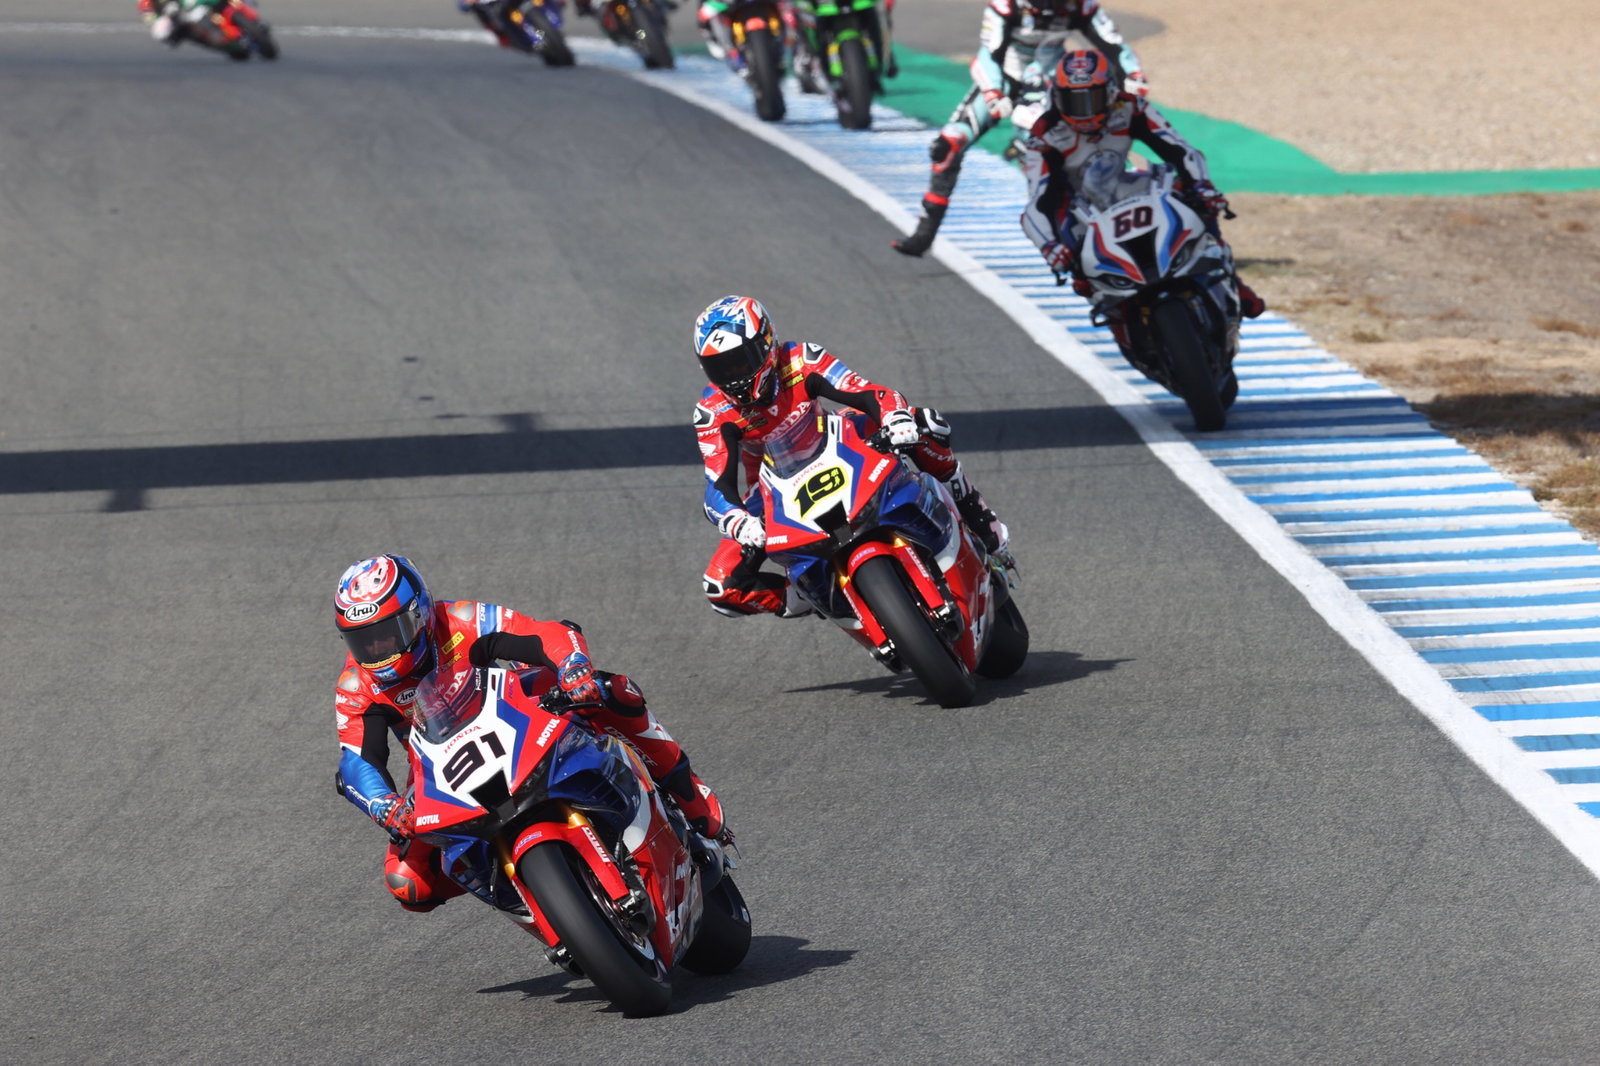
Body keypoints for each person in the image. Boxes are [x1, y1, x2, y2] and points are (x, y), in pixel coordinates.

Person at [332, 554, 726, 912]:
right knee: (407, 882)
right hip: (439, 762)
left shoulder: (460, 619)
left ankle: (688, 794)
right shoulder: (356, 685)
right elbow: (356, 761)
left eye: (388, 633)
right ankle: (532, 903)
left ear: (419, 615)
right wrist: (383, 804)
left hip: (513, 711)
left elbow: (543, 633)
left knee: (612, 691)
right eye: (363, 640)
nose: (377, 649)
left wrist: (573, 667)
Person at [692, 295, 1010, 618]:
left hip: (835, 440)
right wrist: (738, 521)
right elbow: (717, 485)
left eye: (740, 362)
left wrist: (895, 418)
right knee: (721, 587)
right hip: (771, 490)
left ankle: (977, 515)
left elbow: (867, 391)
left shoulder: (801, 359)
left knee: (926, 424)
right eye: (719, 368)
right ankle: (811, 594)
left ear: (767, 343)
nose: (733, 376)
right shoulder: (712, 411)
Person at [1019, 49, 1265, 318]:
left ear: (1110, 92)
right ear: (1056, 97)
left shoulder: (1130, 107)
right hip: (1078, 206)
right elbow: (1038, 202)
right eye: (1073, 101)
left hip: (1120, 186)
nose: (1084, 112)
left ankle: (1230, 279)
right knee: (1078, 268)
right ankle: (1115, 312)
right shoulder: (1044, 133)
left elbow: (1181, 151)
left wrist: (1202, 185)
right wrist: (1050, 247)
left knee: (1195, 198)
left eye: (1092, 99)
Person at [891, 0, 1147, 257]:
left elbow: (1114, 44)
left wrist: (1133, 75)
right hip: (1005, 79)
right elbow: (989, 54)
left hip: (1052, 83)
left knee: (1066, 156)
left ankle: (1096, 227)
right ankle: (924, 234)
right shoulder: (1005, 5)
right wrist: (993, 92)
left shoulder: (1080, 5)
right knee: (946, 146)